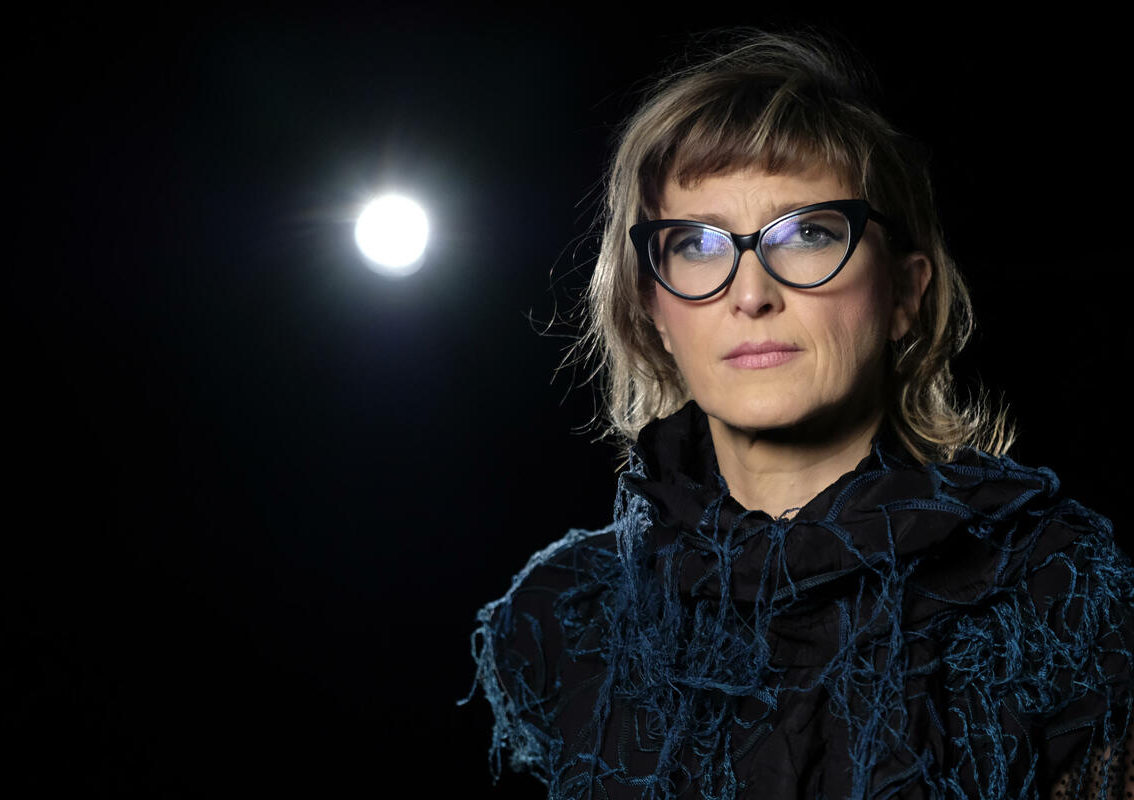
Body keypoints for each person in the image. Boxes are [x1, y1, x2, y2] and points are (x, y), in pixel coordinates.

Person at [464, 31, 1134, 799]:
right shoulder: (564, 617)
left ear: (905, 293)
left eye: (807, 233)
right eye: (697, 244)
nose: (751, 294)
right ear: (653, 309)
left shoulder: (1057, 592)